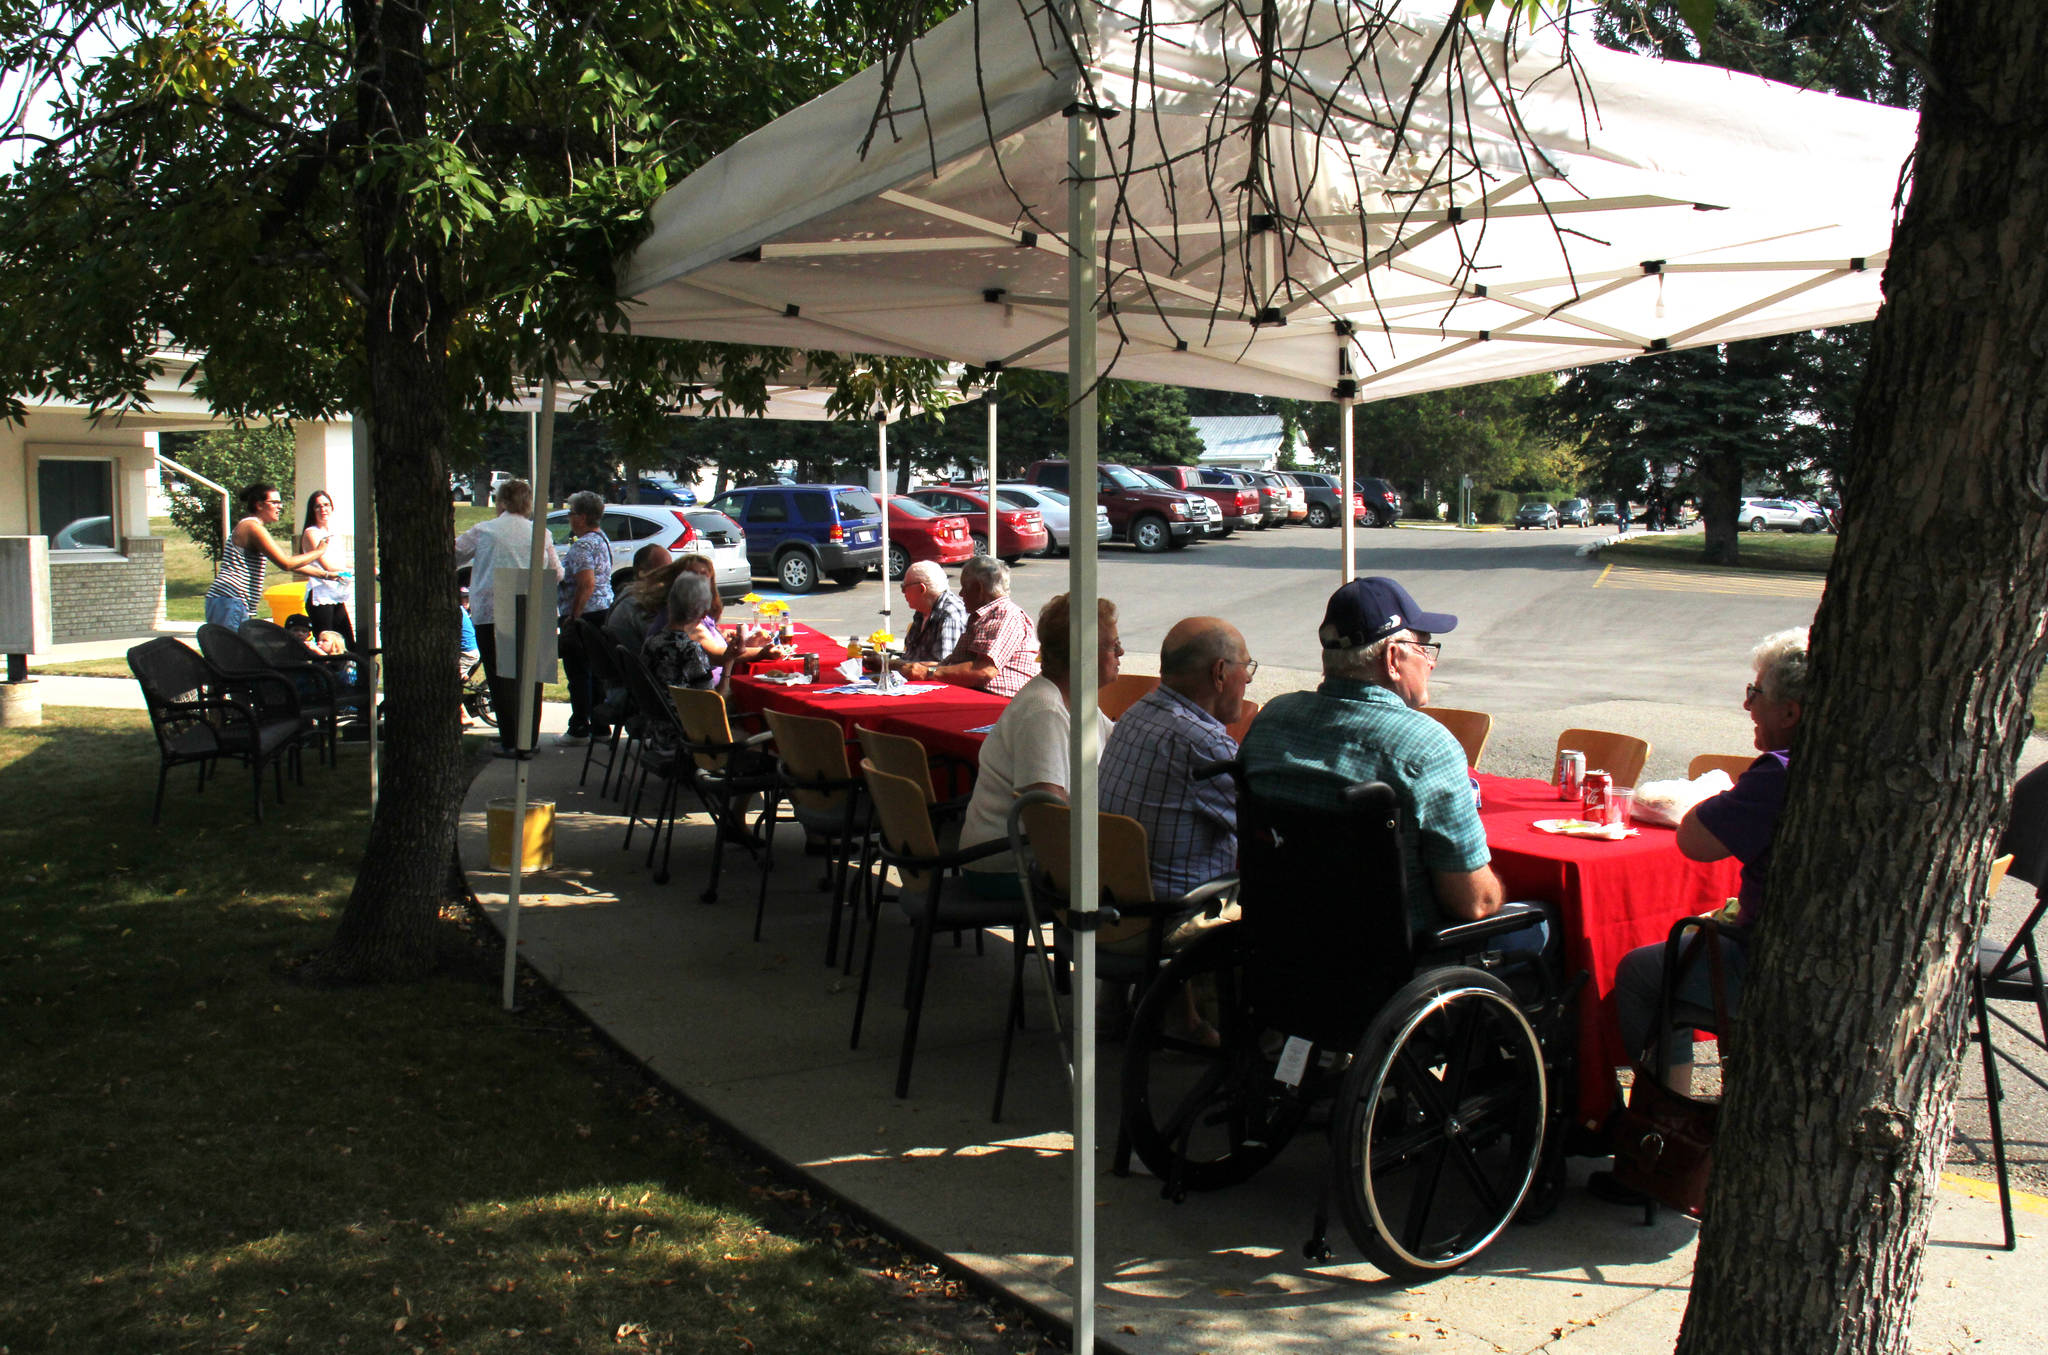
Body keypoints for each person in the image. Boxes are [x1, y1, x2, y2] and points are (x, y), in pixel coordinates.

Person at [1587, 627, 1807, 1208]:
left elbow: (1696, 841)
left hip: (1772, 969)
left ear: (1789, 710)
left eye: (1755, 692)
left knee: (1638, 972)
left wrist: (1715, 794)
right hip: (1837, 969)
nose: (1746, 703)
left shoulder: (1781, 771)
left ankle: (1669, 1140)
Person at [1240, 576, 1539, 947]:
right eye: (1425, 647)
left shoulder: (1272, 719)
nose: (1431, 663)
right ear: (1393, 658)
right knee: (1540, 926)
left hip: (1283, 942)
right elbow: (1474, 904)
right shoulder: (1427, 747)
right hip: (1396, 958)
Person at [956, 592, 1122, 896]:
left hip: (1032, 854)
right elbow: (1049, 815)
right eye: (1112, 645)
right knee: (1138, 882)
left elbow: (1123, 754)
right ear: (1081, 653)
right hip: (1006, 864)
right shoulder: (1044, 710)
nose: (1121, 652)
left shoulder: (1077, 701)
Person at [1100, 617, 1253, 901]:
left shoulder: (1133, 716)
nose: (1249, 678)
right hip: (1176, 918)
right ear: (1219, 673)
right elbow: (1265, 831)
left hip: (1107, 911)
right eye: (1246, 666)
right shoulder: (1203, 744)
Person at [454, 478, 561, 759]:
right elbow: (557, 571)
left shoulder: (486, 530)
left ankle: (511, 738)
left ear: (501, 501)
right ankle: (529, 738)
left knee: (501, 678)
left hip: (495, 605)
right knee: (532, 678)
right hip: (535, 605)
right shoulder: (542, 533)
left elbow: (453, 553)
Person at [202, 482, 340, 629]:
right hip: (230, 599)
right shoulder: (252, 527)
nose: (279, 506)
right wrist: (319, 551)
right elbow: (286, 563)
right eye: (274, 502)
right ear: (259, 505)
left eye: (280, 502)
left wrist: (326, 575)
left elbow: (293, 565)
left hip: (231, 600)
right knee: (231, 650)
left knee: (234, 649)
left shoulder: (252, 526)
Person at [896, 556, 1038, 697]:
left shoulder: (1005, 614)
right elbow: (948, 666)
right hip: (975, 697)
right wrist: (895, 666)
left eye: (965, 587)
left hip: (997, 704)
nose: (961, 594)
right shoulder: (983, 617)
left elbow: (983, 671)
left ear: (979, 588)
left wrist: (927, 673)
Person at [638, 572, 719, 758]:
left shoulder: (652, 642)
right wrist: (729, 664)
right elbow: (713, 703)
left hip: (656, 732)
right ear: (702, 612)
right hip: (686, 738)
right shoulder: (691, 650)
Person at [556, 490, 615, 746]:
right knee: (596, 671)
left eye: (570, 513)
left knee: (578, 672)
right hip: (603, 612)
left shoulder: (582, 546)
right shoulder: (601, 539)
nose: (569, 517)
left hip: (586, 616)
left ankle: (579, 725)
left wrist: (573, 616)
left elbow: (586, 584)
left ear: (581, 517)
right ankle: (600, 726)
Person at [295, 489, 356, 650]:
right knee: (325, 646)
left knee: (347, 644)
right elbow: (327, 566)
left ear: (332, 508)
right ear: (312, 510)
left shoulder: (331, 533)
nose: (323, 509)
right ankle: (322, 674)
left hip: (335, 595)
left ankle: (346, 674)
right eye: (318, 506)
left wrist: (370, 568)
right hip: (320, 596)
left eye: (326, 505)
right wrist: (355, 571)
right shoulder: (312, 533)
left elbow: (341, 562)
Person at [898, 561, 967, 664]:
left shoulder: (950, 615)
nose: (903, 592)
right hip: (909, 676)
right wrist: (885, 663)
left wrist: (893, 665)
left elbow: (943, 668)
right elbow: (910, 655)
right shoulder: (922, 610)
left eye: (904, 587)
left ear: (922, 589)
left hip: (929, 679)